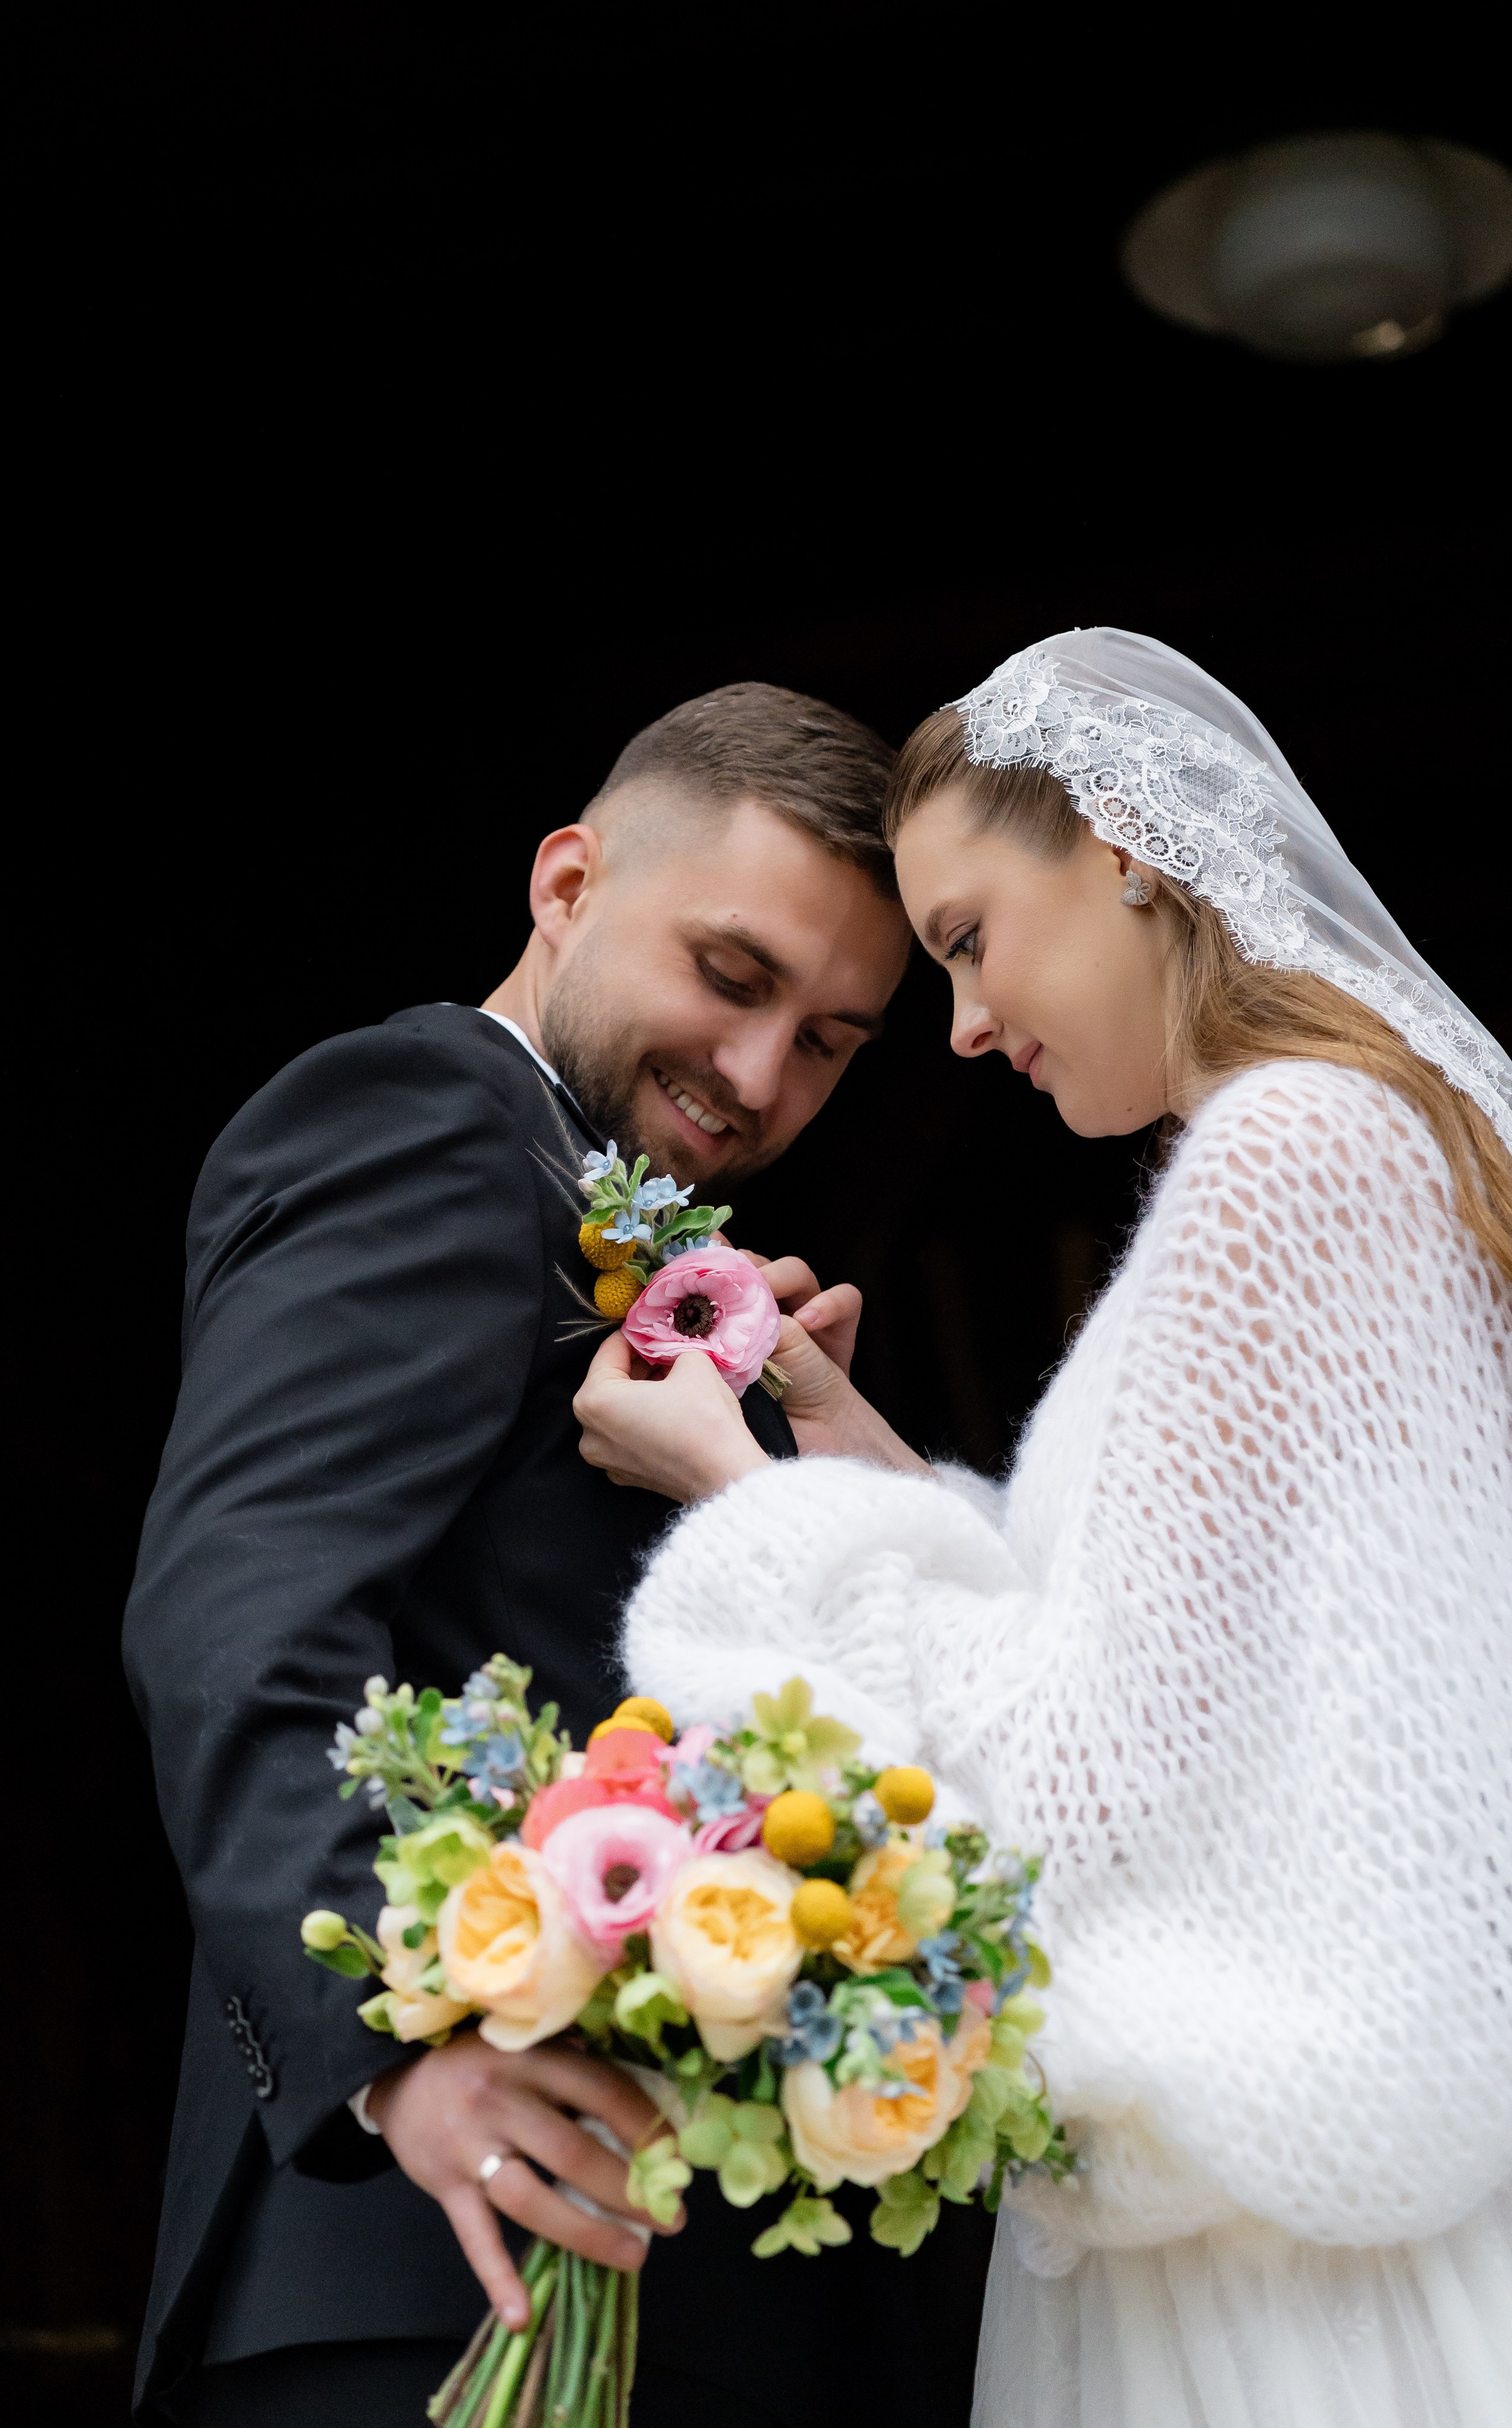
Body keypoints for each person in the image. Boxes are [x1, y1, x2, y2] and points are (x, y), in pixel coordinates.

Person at [576, 631, 1512, 2428]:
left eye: (966, 940)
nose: (968, 1026)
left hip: (1266, 2286)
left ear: (1124, 853)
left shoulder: (1287, 1153)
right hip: (1288, 2225)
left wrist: (746, 1499)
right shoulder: (1364, 1141)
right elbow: (1188, 1659)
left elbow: (1088, 1788)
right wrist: (871, 1470)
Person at [126, 679, 1006, 2428]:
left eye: (830, 1038)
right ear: (567, 883)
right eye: (732, 977)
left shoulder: (616, 1209)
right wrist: (405, 2048)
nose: (759, 1077)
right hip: (437, 2280)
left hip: (640, 2284)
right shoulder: (426, 1120)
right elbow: (240, 1611)